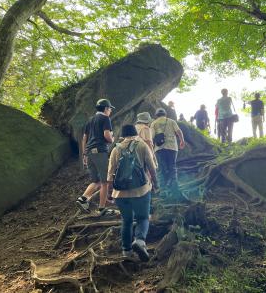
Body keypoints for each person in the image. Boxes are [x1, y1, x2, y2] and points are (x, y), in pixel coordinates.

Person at [107, 125, 159, 261]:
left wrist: (109, 192)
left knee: (127, 220)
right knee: (143, 218)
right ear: (135, 134)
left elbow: (110, 173)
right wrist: (156, 184)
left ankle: (126, 251)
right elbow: (152, 168)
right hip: (141, 191)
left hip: (120, 193)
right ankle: (140, 241)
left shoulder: (116, 149)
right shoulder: (142, 145)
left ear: (123, 136)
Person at [76, 98, 115, 216]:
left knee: (96, 181)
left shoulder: (90, 120)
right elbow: (107, 135)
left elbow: (84, 138)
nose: (110, 111)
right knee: (104, 182)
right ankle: (102, 209)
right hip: (99, 151)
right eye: (110, 109)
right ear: (106, 109)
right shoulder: (105, 118)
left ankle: (83, 199)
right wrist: (112, 139)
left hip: (89, 153)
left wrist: (84, 154)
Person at [151, 108, 186, 200]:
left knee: (161, 169)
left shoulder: (154, 123)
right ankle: (174, 189)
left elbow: (152, 137)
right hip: (172, 148)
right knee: (172, 167)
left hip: (159, 149)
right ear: (165, 114)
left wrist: (151, 148)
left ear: (156, 115)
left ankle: (163, 191)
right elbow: (179, 131)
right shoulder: (171, 121)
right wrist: (182, 140)